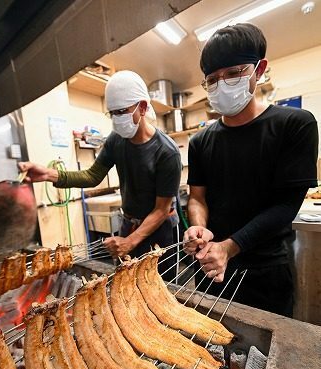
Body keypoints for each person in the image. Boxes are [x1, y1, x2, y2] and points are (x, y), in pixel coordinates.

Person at [183, 23, 318, 317]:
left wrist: (229, 248)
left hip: (265, 271)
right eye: (213, 78)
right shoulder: (200, 141)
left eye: (233, 73)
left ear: (259, 70)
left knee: (263, 357)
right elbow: (197, 198)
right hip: (210, 267)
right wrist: (198, 226)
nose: (223, 83)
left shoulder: (294, 125)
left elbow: (286, 205)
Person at [19, 70, 181, 277]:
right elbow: (92, 176)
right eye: (112, 113)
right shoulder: (116, 140)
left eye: (121, 111)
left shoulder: (167, 152)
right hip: (129, 224)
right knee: (125, 286)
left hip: (160, 231)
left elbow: (161, 210)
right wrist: (49, 175)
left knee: (161, 291)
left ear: (141, 107)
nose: (116, 119)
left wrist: (130, 242)